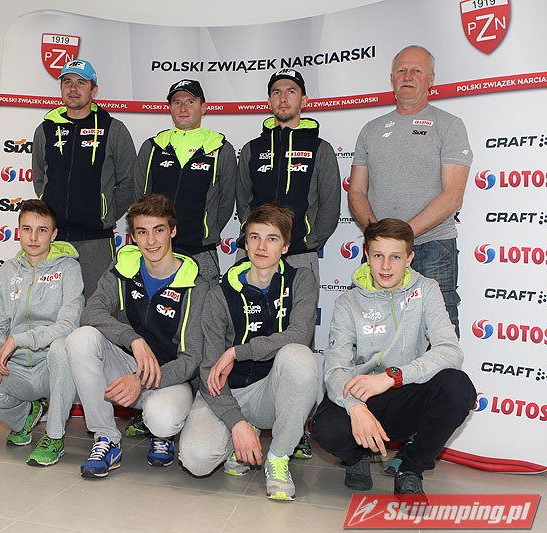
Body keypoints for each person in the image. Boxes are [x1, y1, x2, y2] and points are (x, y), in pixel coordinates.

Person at [311, 218, 475, 496]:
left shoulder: (427, 289)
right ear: (366, 255)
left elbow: (450, 350)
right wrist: (356, 408)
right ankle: (358, 456)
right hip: (362, 394)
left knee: (458, 387)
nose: (386, 266)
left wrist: (393, 377)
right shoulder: (347, 302)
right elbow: (336, 369)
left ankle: (410, 468)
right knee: (325, 427)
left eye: (395, 257)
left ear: (409, 258)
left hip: (404, 391)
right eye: (378, 256)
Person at [179, 203, 318, 501]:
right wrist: (237, 423)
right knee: (196, 460)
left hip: (269, 392)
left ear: (285, 246)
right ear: (245, 243)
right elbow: (209, 368)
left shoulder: (301, 280)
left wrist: (237, 352)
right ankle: (242, 434)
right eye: (254, 237)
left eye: (272, 238)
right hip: (226, 391)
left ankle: (278, 458)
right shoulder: (220, 292)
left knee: (299, 357)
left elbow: (300, 335)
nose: (262, 246)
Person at [66, 194, 208, 478]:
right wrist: (133, 339)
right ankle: (107, 438)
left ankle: (161, 435)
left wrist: (141, 380)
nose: (151, 241)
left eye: (159, 230)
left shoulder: (197, 284)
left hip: (172, 377)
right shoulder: (123, 267)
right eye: (142, 232)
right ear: (132, 237)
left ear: (173, 231)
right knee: (80, 339)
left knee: (163, 420)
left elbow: (192, 359)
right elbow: (91, 312)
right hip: (128, 365)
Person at [347, 45, 473, 334]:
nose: (408, 76)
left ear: (431, 79)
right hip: (379, 250)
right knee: (371, 330)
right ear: (392, 78)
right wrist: (379, 238)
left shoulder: (449, 126)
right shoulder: (370, 129)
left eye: (417, 71)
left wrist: (400, 238)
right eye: (401, 70)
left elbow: (453, 195)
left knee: (438, 332)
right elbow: (356, 192)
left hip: (432, 246)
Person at [0, 200, 84, 466]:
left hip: (53, 369)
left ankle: (54, 437)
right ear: (18, 230)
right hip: (16, 368)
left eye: (42, 230)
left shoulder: (68, 268)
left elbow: (69, 325)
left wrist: (18, 339)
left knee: (62, 347)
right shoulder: (7, 271)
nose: (33, 237)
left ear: (53, 234)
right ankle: (26, 415)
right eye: (27, 229)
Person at [33, 58, 137, 299]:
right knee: (50, 306)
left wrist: (105, 212)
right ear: (61, 88)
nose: (73, 88)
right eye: (67, 82)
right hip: (54, 238)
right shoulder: (45, 129)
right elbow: (40, 177)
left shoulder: (113, 128)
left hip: (95, 240)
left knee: (97, 305)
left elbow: (130, 181)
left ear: (94, 90)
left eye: (81, 82)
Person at [236, 68, 340, 284]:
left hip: (300, 256)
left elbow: (330, 206)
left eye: (291, 92)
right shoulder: (251, 149)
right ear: (269, 101)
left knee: (300, 308)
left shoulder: (320, 149)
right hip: (253, 255)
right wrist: (252, 234)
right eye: (277, 92)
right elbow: (242, 199)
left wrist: (307, 241)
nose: (283, 98)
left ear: (304, 100)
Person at [134, 79, 237, 283]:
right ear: (170, 108)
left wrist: (207, 230)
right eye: (177, 102)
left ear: (203, 107)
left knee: (204, 304)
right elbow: (140, 196)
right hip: (156, 251)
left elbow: (226, 202)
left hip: (201, 252)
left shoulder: (221, 148)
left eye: (190, 101)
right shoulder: (152, 147)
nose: (183, 108)